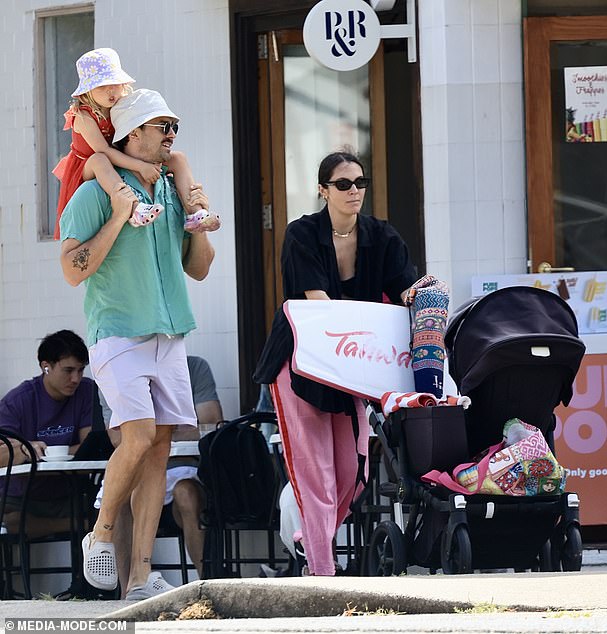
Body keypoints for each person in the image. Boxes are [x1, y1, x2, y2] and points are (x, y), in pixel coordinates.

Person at [59, 87, 215, 601]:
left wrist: (200, 225)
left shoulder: (172, 188)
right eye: (161, 126)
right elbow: (71, 270)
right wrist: (118, 217)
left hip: (170, 333)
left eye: (174, 126)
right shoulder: (93, 191)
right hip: (119, 332)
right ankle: (100, 533)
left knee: (160, 445)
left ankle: (140, 577)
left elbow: (198, 267)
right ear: (132, 132)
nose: (171, 135)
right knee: (141, 434)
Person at [254, 150, 417, 576]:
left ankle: (311, 538)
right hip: (301, 364)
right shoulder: (302, 234)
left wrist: (425, 296)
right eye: (343, 184)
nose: (354, 191)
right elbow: (318, 306)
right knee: (316, 474)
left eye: (360, 183)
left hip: (350, 365)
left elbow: (406, 288)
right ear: (323, 190)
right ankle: (322, 571)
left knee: (353, 473)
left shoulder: (381, 237)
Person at [53, 47, 219, 239]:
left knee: (178, 158)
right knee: (100, 160)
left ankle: (196, 212)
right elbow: (104, 150)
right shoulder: (83, 115)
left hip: (115, 157)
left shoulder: (119, 105)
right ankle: (135, 208)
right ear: (87, 91)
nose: (111, 91)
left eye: (115, 84)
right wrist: (141, 166)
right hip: (88, 163)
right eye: (102, 86)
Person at [96, 355, 223, 589]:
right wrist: (166, 432)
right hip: (140, 469)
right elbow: (117, 439)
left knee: (186, 493)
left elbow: (210, 423)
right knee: (120, 498)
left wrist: (145, 434)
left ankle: (207, 585)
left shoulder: (193, 367)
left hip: (186, 468)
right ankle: (129, 590)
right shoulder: (114, 371)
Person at [0, 330, 94, 537]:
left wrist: (46, 453)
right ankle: (76, 525)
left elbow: (91, 445)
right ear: (45, 366)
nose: (76, 379)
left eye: (80, 370)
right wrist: (24, 450)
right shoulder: (17, 401)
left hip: (71, 493)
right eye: (68, 370)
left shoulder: (87, 391)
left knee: (114, 509)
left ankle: (79, 527)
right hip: (22, 496)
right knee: (11, 521)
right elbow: (1, 454)